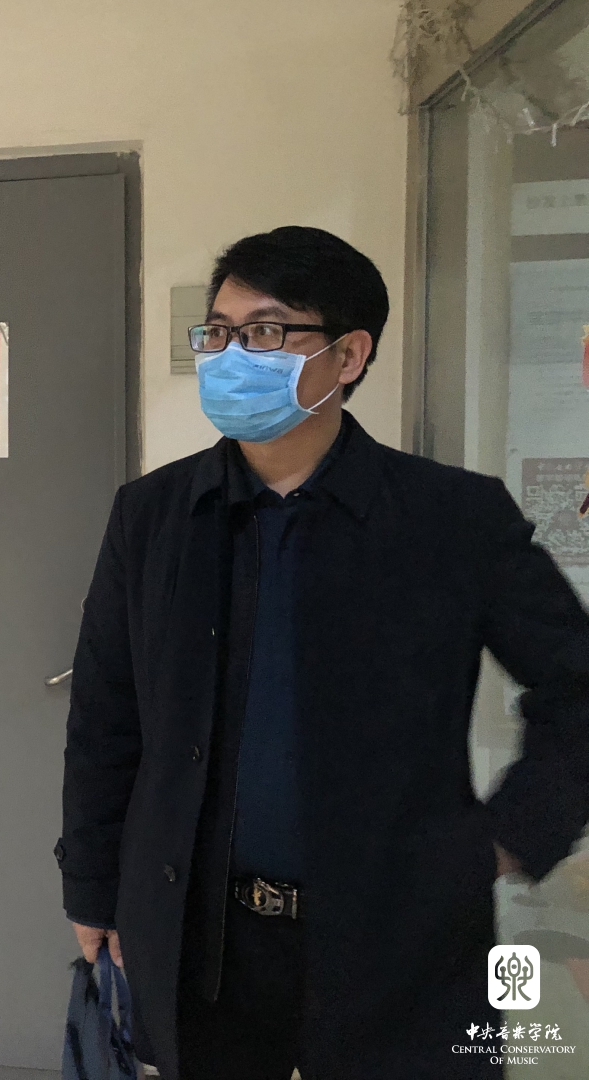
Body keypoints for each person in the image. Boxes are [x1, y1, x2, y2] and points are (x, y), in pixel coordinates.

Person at [57, 226, 589, 1080]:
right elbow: (105, 714)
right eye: (219, 332)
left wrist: (504, 839)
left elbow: (578, 687)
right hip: (203, 940)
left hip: (398, 943)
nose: (233, 355)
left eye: (266, 331)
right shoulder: (153, 515)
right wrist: (91, 886)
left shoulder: (453, 519)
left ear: (349, 354)